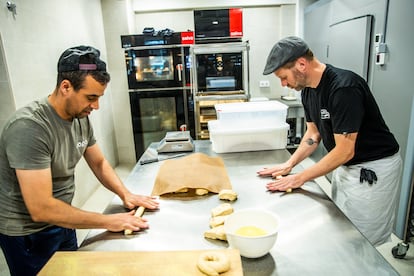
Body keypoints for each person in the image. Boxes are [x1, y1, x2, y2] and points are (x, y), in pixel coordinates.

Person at [0, 45, 159, 275]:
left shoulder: (79, 117)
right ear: (66, 86)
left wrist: (125, 194)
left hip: (64, 218)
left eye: (99, 97)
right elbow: (41, 208)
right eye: (91, 97)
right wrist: (108, 221)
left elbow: (99, 163)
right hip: (28, 234)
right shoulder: (30, 127)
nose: (96, 106)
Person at [258, 36, 401, 247]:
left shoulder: (343, 88)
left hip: (372, 168)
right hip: (345, 165)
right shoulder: (307, 91)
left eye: (283, 77)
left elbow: (345, 151)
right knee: (343, 227)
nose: (284, 84)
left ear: (301, 64)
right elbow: (313, 134)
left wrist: (300, 178)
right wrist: (290, 164)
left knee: (363, 240)